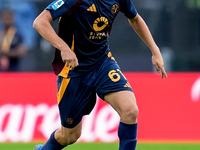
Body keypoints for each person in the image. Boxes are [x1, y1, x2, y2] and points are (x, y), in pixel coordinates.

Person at [33, 0, 167, 149]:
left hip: (102, 63)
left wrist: (155, 51)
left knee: (130, 110)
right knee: (69, 136)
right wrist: (64, 48)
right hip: (74, 70)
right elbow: (40, 22)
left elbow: (135, 18)